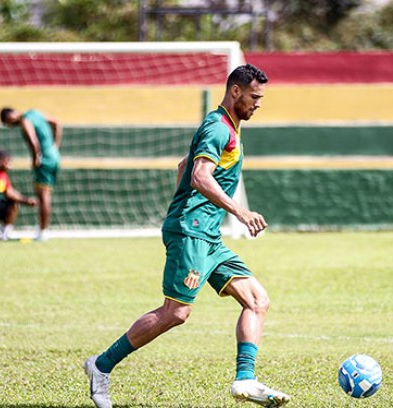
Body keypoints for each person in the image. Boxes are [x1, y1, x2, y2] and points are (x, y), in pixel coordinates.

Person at [83, 64, 291, 408]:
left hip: (207, 235)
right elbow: (198, 174)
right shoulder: (217, 127)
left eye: (261, 98)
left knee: (257, 300)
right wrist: (238, 212)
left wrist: (190, 208)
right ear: (235, 91)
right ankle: (100, 365)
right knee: (176, 312)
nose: (258, 104)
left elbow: (184, 165)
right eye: (254, 97)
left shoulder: (229, 127)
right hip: (192, 233)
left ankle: (245, 379)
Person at [0, 107, 62, 241]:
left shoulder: (25, 120)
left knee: (43, 194)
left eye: (8, 122)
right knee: (46, 193)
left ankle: (43, 232)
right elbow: (56, 123)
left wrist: (35, 158)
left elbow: (33, 141)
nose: (10, 125)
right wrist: (54, 147)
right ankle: (43, 231)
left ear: (10, 116)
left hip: (44, 159)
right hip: (54, 157)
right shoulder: (35, 113)